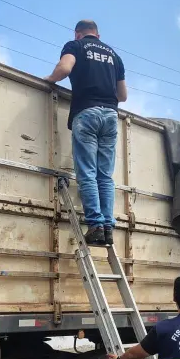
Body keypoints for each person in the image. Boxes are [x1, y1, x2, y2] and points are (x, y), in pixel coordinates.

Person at [45, 20, 127, 246]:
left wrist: (49, 80)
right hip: (111, 115)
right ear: (97, 34)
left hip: (87, 113)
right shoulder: (114, 56)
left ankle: (96, 225)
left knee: (87, 172)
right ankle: (108, 227)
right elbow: (122, 96)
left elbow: (64, 68)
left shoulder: (76, 46)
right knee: (105, 175)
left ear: (78, 33)